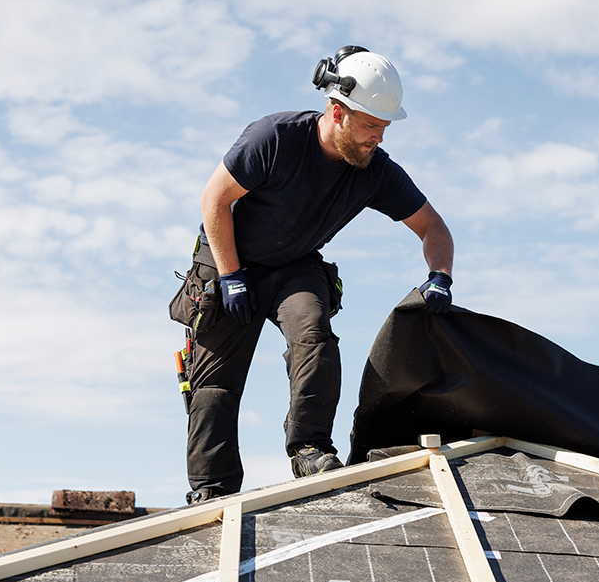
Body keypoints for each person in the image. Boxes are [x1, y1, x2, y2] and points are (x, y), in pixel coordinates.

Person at [172, 46, 455, 505]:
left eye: (384, 129)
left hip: (293, 265)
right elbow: (214, 201)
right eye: (370, 126)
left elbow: (433, 227)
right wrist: (231, 276)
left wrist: (440, 275)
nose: (378, 139)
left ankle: (309, 448)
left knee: (314, 333)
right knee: (216, 381)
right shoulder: (275, 138)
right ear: (338, 111)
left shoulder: (374, 171)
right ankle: (212, 489)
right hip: (229, 260)